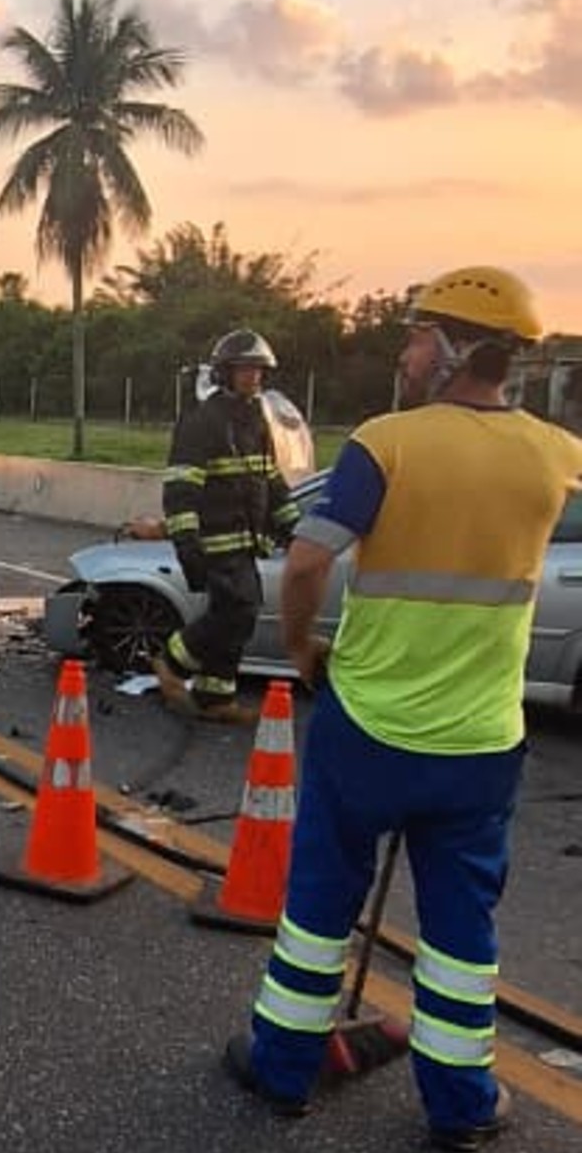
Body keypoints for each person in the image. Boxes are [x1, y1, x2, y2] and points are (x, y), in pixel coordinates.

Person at [222, 267, 582, 1151]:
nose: (406, 350)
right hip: (482, 740)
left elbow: (307, 564)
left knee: (317, 907)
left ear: (456, 348)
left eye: (419, 335)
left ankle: (283, 1069)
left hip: (371, 725)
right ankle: (461, 1105)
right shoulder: (555, 453)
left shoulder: (388, 442)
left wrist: (303, 650)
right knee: (462, 928)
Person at [152, 330, 300, 723]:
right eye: (246, 369)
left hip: (246, 541)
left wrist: (292, 526)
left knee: (241, 616)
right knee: (235, 612)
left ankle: (215, 697)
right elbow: (181, 490)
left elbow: (271, 480)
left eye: (259, 370)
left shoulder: (256, 421)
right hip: (215, 542)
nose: (254, 378)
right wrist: (187, 544)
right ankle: (171, 661)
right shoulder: (203, 421)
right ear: (224, 373)